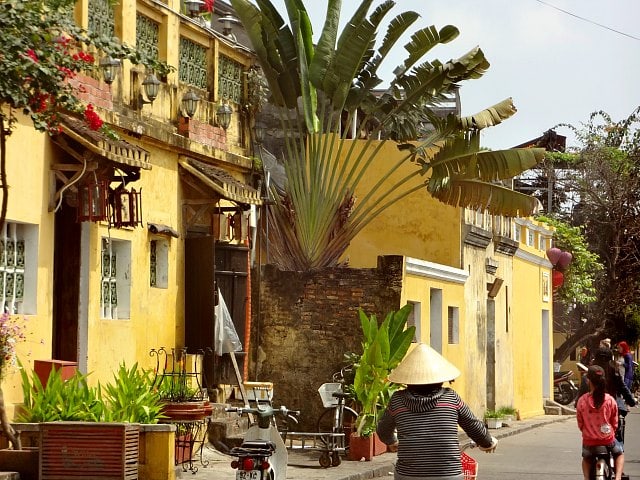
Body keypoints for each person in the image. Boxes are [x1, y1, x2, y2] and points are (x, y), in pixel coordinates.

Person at [376, 343, 497, 480]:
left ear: (408, 379)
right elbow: (473, 426)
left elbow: (383, 430)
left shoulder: (397, 400)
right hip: (448, 475)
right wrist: (487, 442)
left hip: (408, 475)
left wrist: (392, 441)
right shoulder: (451, 398)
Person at [576, 365, 624, 480]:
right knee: (619, 453)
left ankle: (587, 478)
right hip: (608, 440)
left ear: (588, 380)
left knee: (586, 459)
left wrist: (588, 431)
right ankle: (617, 477)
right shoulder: (610, 400)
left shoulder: (582, 400)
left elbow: (580, 424)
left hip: (589, 442)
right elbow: (615, 422)